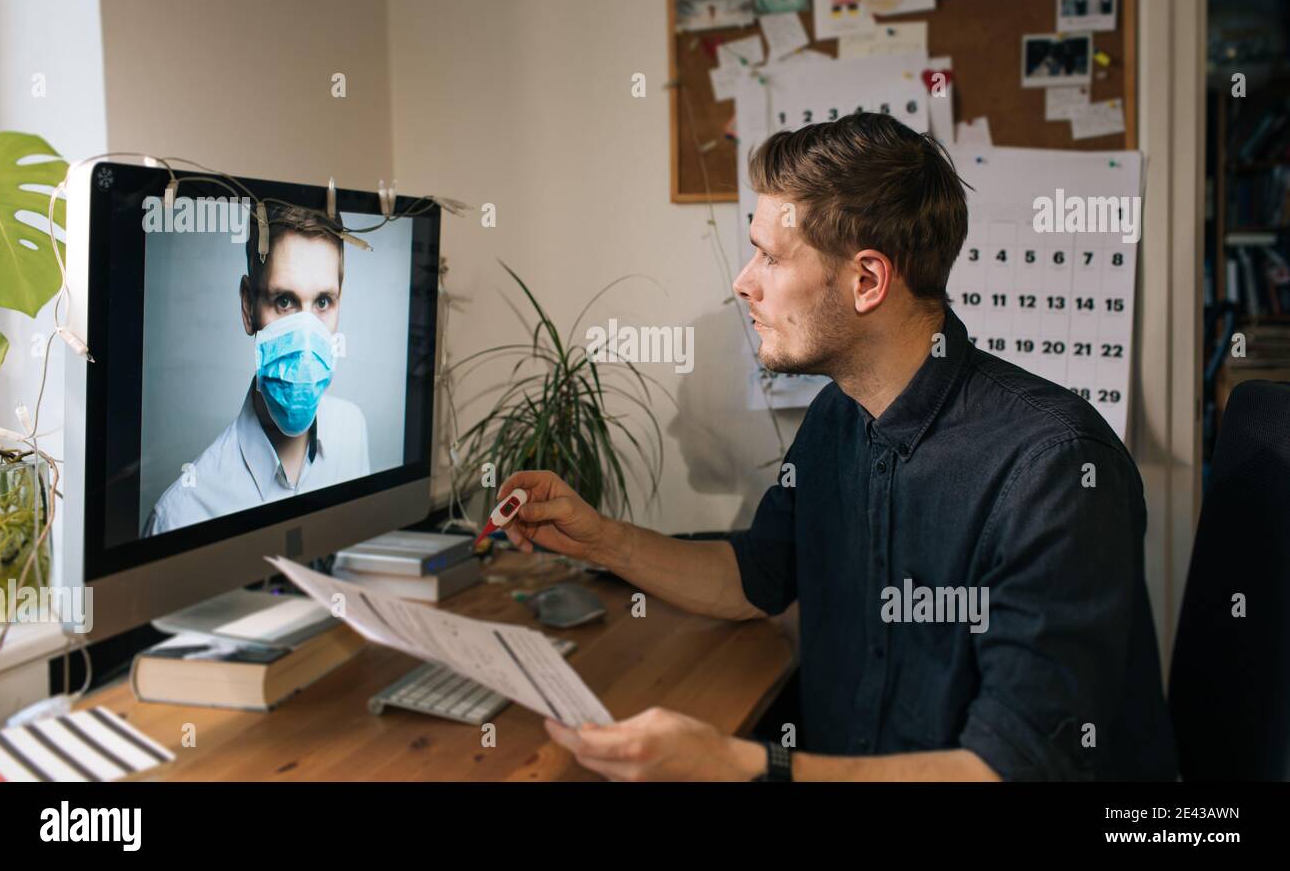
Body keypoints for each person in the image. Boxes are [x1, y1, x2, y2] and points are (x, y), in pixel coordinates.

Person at [496, 113, 1177, 782]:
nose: (744, 280)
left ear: (868, 281)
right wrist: (599, 540)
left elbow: (1012, 768)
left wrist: (740, 765)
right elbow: (759, 578)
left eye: (769, 255)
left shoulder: (1055, 468)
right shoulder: (838, 416)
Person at [142, 204, 370, 536]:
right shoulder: (181, 516)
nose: (306, 335)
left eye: (323, 302)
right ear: (248, 307)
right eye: (284, 301)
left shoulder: (353, 430)